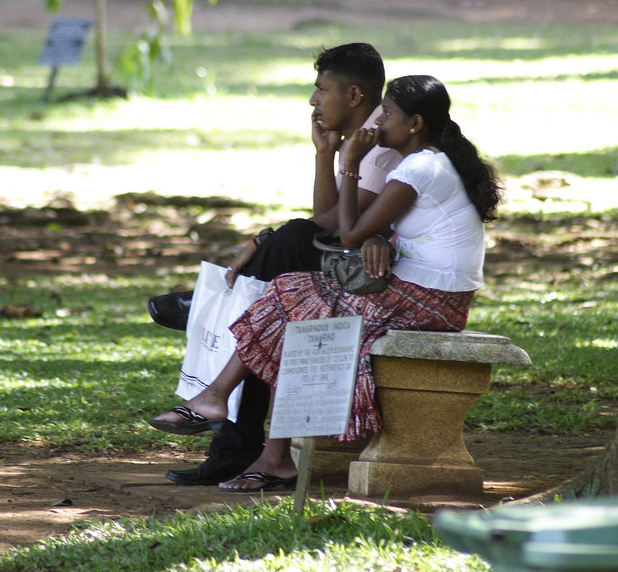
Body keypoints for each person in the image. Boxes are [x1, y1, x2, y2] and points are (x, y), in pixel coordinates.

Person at [148, 75, 502, 492]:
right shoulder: (428, 162)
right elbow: (368, 230)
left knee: (289, 297)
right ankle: (264, 447)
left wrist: (350, 163)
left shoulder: (419, 168)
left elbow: (348, 234)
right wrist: (376, 235)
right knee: (294, 306)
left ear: (415, 124)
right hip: (423, 292)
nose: (379, 121)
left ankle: (218, 401)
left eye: (387, 114)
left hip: (430, 301)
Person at [147, 43, 403, 487]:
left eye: (321, 89)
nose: (312, 100)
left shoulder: (383, 143)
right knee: (263, 307)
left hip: (376, 276)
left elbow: (336, 226)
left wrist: (262, 239)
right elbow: (328, 212)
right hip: (345, 263)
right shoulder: (359, 142)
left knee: (283, 252)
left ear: (356, 96)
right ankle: (233, 451)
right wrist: (325, 155)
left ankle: (207, 311)